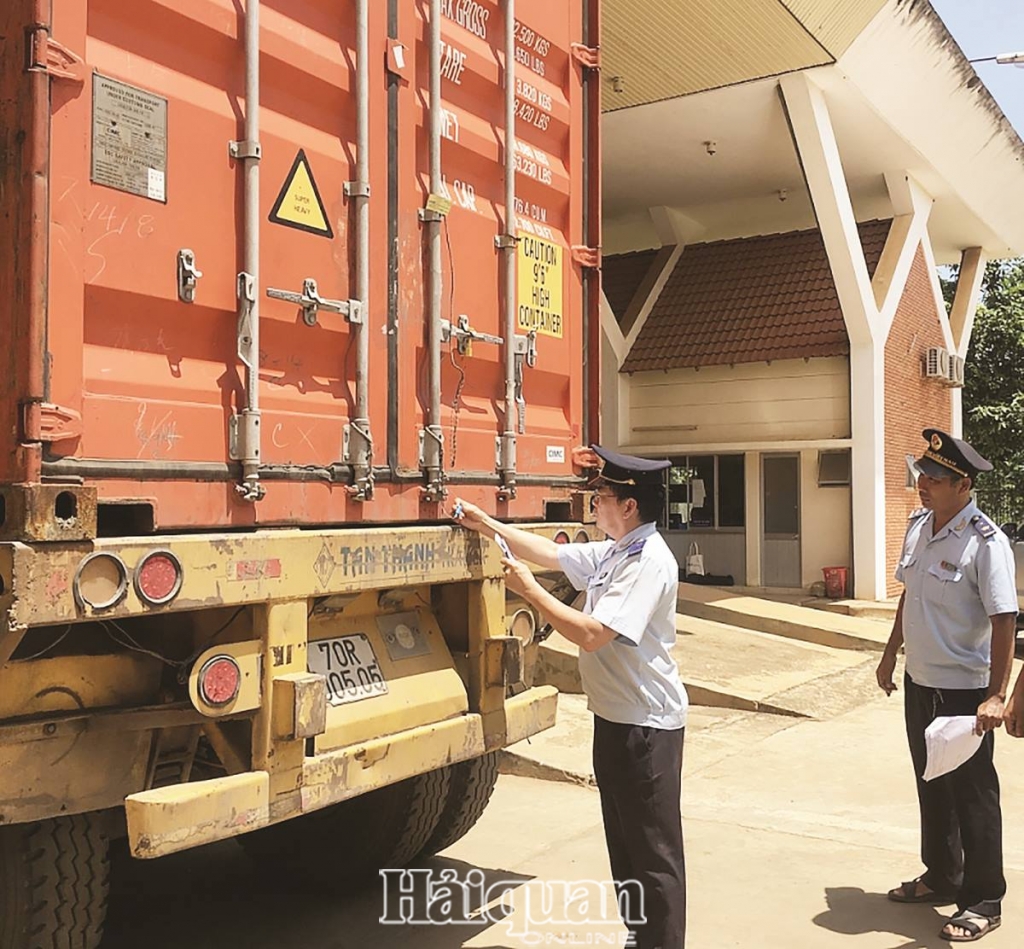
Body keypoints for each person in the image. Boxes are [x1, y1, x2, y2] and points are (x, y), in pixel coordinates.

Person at [452, 445, 687, 949]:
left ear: (628, 505)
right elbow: (546, 552)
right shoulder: (615, 551)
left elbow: (592, 633)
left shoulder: (647, 561)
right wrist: (485, 523)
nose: (593, 503)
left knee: (654, 854)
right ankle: (639, 936)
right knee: (625, 845)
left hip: (646, 727)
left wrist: (533, 593)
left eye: (600, 495)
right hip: (615, 718)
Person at [876, 429, 1017, 943]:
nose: (923, 486)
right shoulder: (918, 528)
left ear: (963, 485)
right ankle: (941, 875)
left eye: (934, 479)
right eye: (922, 477)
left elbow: (1005, 619)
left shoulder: (986, 541)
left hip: (964, 691)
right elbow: (908, 596)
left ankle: (984, 898)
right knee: (931, 784)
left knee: (973, 795)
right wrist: (891, 653)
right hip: (921, 683)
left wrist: (996, 694)